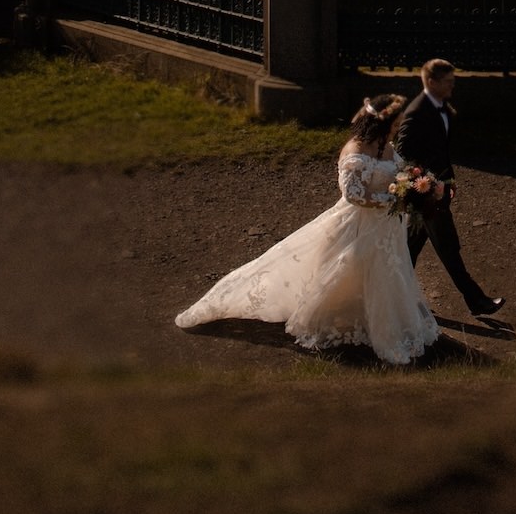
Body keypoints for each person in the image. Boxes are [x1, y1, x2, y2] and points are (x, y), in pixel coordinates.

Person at [173, 91, 439, 366]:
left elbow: (396, 172)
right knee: (350, 269)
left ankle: (383, 320)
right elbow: (353, 195)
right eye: (396, 121)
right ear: (382, 122)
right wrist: (394, 198)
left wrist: (415, 185)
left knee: (388, 272)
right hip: (359, 224)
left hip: (386, 228)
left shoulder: (387, 145)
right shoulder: (354, 151)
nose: (399, 125)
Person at [394, 58, 504, 319]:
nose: (453, 86)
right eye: (448, 82)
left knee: (410, 249)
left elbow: (441, 152)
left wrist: (449, 180)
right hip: (427, 195)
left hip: (438, 188)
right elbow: (402, 154)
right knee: (448, 248)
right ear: (431, 82)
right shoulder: (417, 113)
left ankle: (397, 298)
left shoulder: (441, 108)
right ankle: (477, 301)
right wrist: (425, 185)